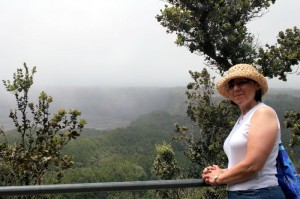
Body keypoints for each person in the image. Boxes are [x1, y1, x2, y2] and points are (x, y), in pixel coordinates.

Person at [202, 64, 285, 198]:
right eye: (231, 85)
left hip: (259, 193)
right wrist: (220, 171)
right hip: (241, 193)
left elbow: (253, 165)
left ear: (256, 85)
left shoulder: (263, 113)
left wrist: (218, 178)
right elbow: (242, 163)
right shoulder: (243, 119)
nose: (236, 88)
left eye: (242, 82)